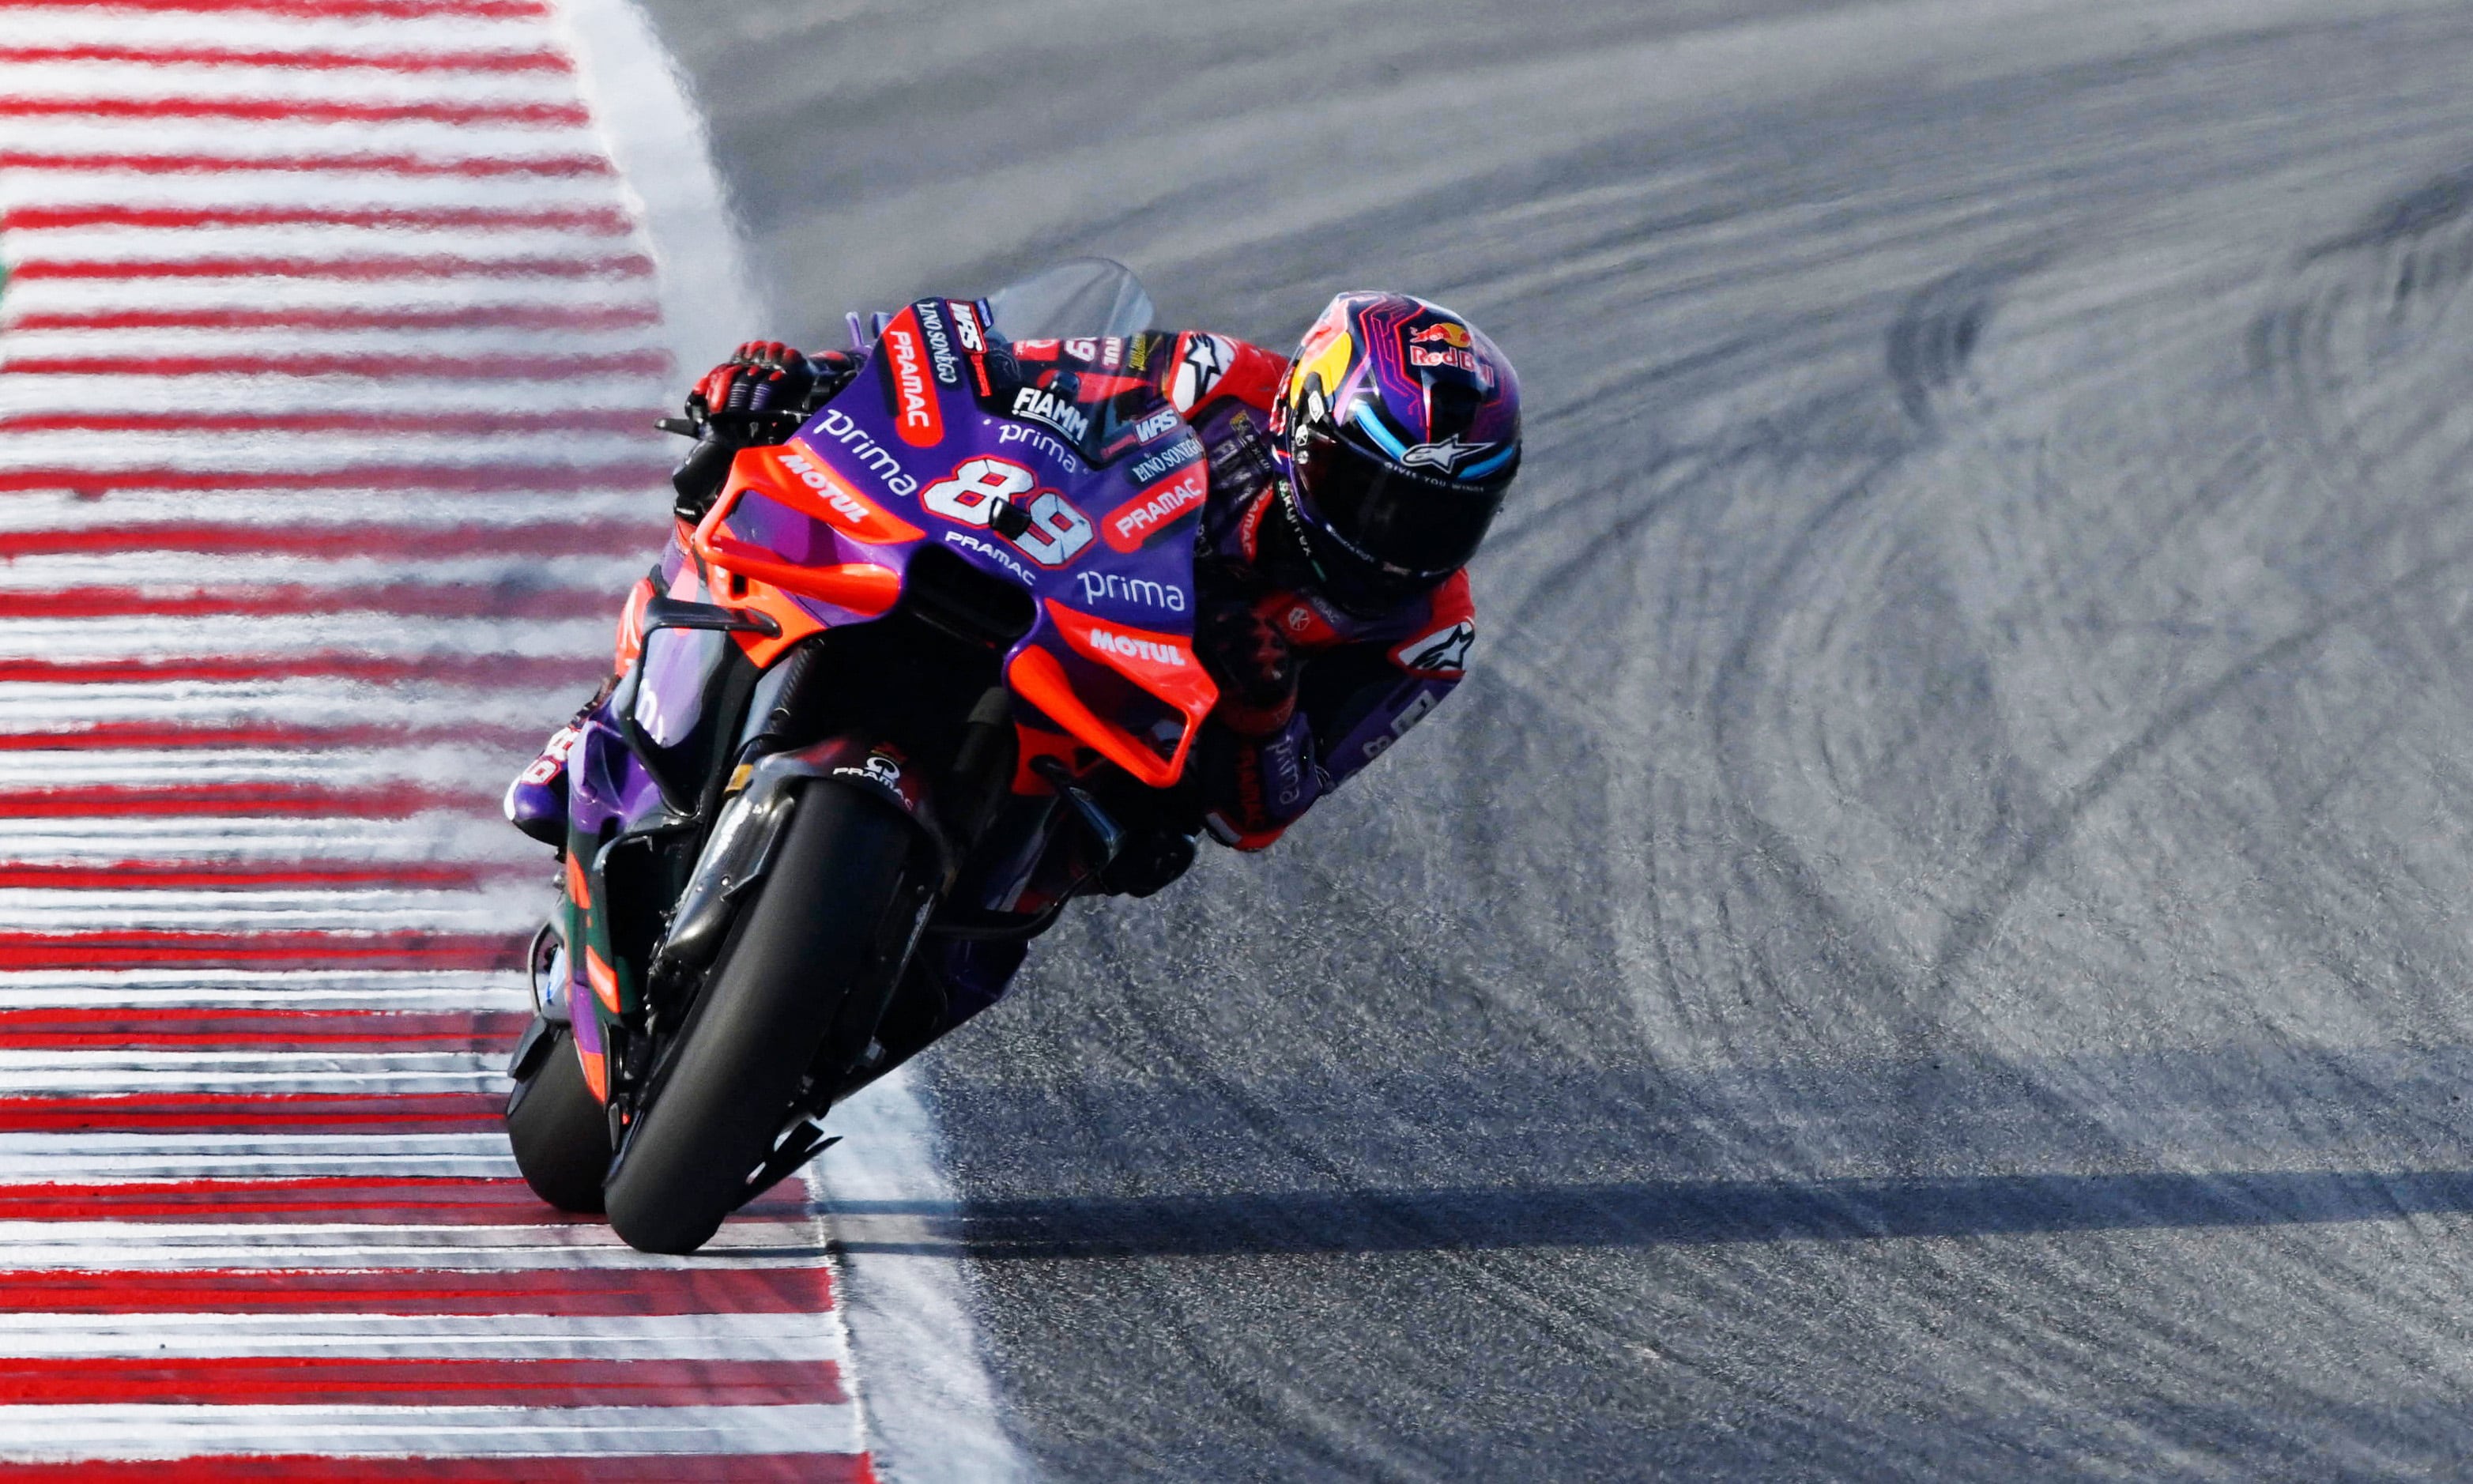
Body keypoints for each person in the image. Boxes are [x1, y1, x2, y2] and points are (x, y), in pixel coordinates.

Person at [505, 292, 1522, 1051]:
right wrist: (808, 380)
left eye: (1440, 517)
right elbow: (1001, 376)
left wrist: (1265, 710)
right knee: (740, 487)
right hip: (1047, 576)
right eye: (1370, 489)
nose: (1396, 539)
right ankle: (602, 721)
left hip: (1127, 736)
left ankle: (848, 1014)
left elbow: (1262, 815)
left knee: (1027, 915)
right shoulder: (1214, 380)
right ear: (1302, 427)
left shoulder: (1424, 634)